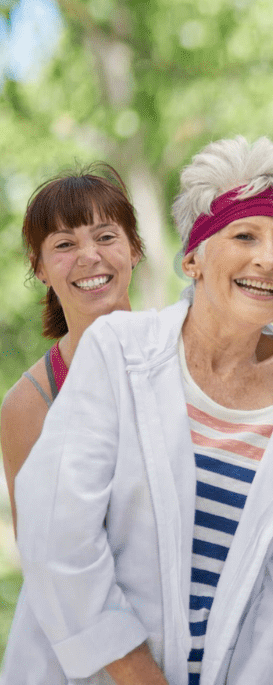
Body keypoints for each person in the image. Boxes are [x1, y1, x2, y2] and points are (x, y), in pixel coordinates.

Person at [3, 136, 273, 685]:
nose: (268, 257)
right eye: (245, 235)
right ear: (192, 259)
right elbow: (57, 538)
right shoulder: (118, 350)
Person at [0, 165, 144, 533]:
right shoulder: (28, 404)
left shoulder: (188, 355)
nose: (89, 256)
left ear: (134, 250)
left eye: (106, 236)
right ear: (40, 268)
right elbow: (38, 552)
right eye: (64, 244)